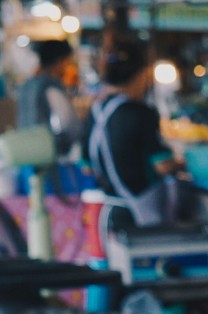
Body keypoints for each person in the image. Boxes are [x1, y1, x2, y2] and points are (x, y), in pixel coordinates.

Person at [86, 35, 192, 225]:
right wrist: (186, 163)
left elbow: (86, 167)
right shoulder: (141, 113)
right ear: (142, 74)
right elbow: (163, 165)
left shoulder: (94, 112)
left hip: (109, 213)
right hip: (141, 214)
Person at [17, 38, 80, 161]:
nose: (69, 68)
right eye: (68, 62)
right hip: (48, 157)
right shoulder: (49, 86)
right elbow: (69, 122)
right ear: (59, 61)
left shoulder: (27, 85)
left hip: (26, 153)